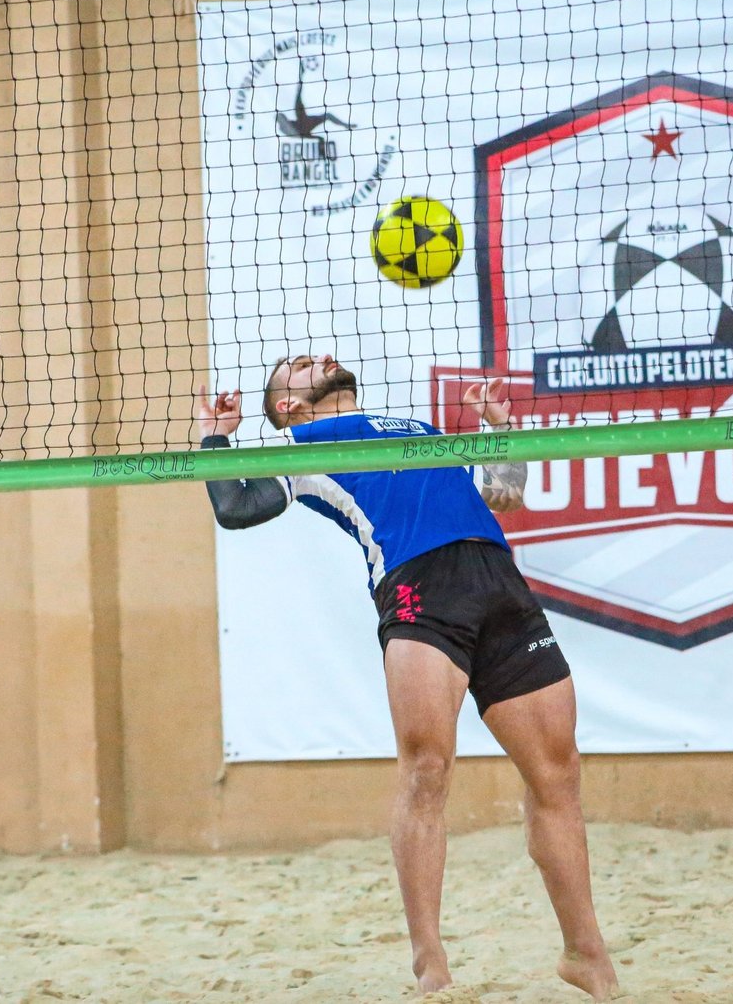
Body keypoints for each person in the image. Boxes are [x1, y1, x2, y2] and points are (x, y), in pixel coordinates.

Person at [195, 353, 619, 1000]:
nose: (321, 359)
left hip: (500, 585)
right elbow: (235, 507)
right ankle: (431, 964)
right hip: (419, 591)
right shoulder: (300, 446)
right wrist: (216, 440)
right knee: (426, 771)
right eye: (302, 365)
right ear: (288, 405)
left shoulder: (418, 429)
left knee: (558, 774)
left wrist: (500, 430)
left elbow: (502, 494)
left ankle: (585, 953)